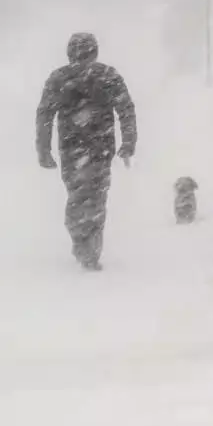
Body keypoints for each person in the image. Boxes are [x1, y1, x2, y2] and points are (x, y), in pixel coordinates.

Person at [36, 32, 137, 271]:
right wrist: (128, 142)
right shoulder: (108, 75)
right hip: (101, 147)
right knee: (97, 196)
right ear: (95, 51)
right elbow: (126, 109)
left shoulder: (59, 78)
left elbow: (45, 115)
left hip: (71, 148)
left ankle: (80, 238)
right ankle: (91, 244)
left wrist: (44, 149)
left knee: (77, 193)